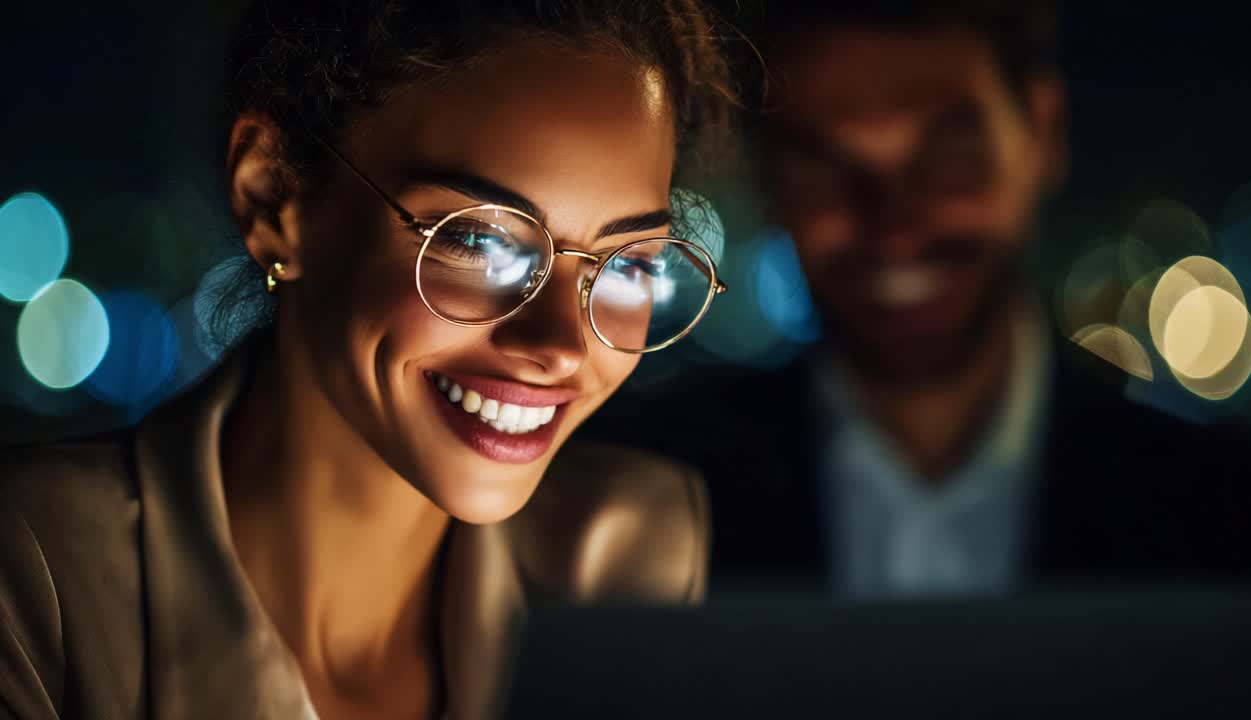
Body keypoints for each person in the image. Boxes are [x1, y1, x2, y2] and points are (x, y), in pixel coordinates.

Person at [0, 2, 735, 718]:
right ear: (274, 198)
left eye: (629, 263)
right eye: (478, 240)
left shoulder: (628, 559)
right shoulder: (35, 581)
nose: (560, 347)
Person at [586, 1, 1251, 597]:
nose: (893, 228)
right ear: (770, 181)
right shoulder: (619, 512)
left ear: (1042, 132)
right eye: (825, 167)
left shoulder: (1235, 519)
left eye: (948, 158)